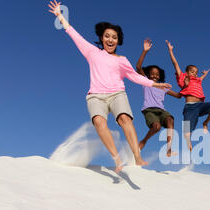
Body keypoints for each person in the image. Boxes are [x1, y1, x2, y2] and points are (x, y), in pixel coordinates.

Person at [48, 1, 171, 172]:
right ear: (101, 38)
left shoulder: (122, 60)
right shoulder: (92, 52)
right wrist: (60, 16)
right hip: (95, 95)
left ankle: (137, 156)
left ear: (118, 40)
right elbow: (74, 34)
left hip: (117, 94)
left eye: (114, 37)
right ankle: (117, 159)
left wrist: (154, 84)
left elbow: (135, 77)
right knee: (99, 121)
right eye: (107, 36)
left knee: (124, 118)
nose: (110, 39)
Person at [165, 40, 210, 151]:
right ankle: (188, 140)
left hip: (201, 105)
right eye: (192, 71)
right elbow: (175, 64)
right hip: (190, 106)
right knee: (186, 132)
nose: (194, 73)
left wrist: (204, 75)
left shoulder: (197, 80)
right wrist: (170, 51)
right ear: (187, 71)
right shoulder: (182, 77)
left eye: (196, 72)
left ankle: (205, 123)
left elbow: (201, 78)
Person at [135, 39, 182, 157]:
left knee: (170, 119)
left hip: (161, 111)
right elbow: (138, 66)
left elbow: (178, 96)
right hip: (149, 110)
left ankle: (169, 149)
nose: (155, 75)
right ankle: (143, 141)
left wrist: (187, 86)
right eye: (152, 73)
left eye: (157, 74)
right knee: (156, 127)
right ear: (149, 74)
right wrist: (144, 51)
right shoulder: (146, 82)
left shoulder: (163, 87)